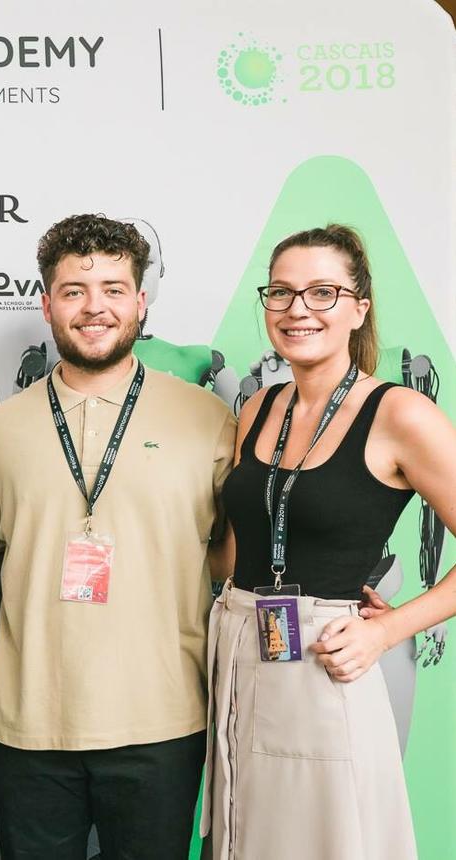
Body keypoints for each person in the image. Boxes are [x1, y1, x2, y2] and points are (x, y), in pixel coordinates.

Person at [0, 213, 236, 859]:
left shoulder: (207, 417)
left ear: (141, 302)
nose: (94, 308)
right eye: (74, 291)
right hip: (29, 721)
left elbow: (232, 556)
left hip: (162, 719)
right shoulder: (2, 426)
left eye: (113, 289)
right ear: (46, 305)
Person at [203, 225, 456, 859]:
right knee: (242, 835)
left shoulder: (400, 413)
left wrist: (387, 630)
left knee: (327, 839)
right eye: (282, 292)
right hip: (238, 640)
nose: (298, 310)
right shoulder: (259, 407)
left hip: (326, 656)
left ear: (358, 308)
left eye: (322, 292)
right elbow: (235, 549)